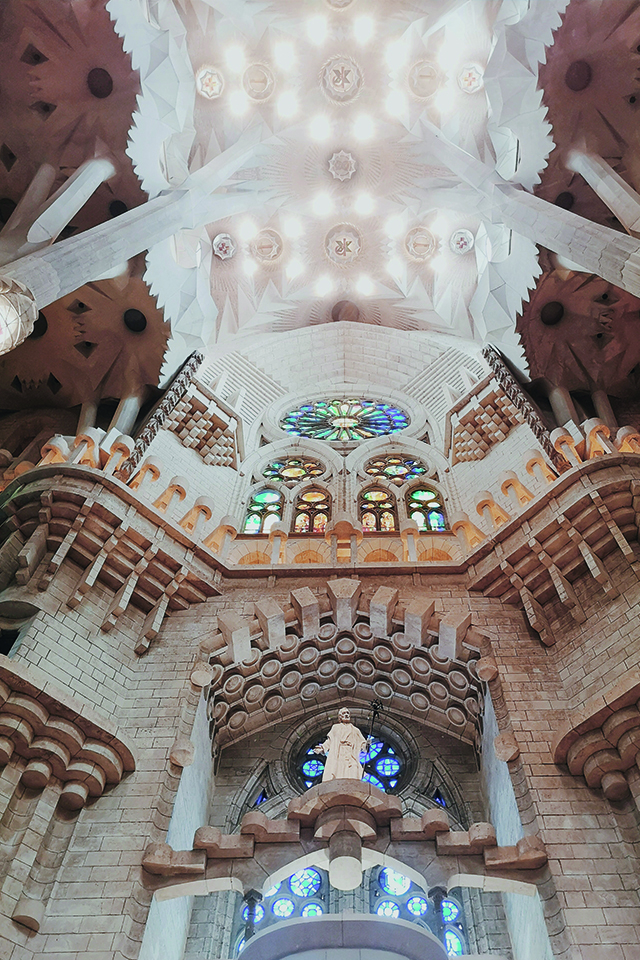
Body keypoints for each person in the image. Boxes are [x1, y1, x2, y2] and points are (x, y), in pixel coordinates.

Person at [314, 707, 371, 782]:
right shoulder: (335, 727)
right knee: (338, 769)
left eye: (348, 713)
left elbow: (362, 743)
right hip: (339, 752)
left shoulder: (355, 730)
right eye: (344, 713)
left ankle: (352, 785)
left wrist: (367, 745)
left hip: (350, 753)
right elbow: (330, 741)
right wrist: (322, 747)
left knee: (353, 768)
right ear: (340, 717)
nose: (346, 715)